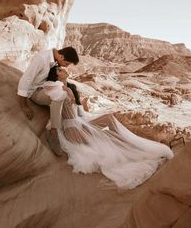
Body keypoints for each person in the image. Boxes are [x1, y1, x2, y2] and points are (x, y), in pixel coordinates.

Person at [46, 66, 174, 190]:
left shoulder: (70, 87)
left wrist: (87, 118)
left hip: (80, 122)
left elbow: (78, 112)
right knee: (103, 139)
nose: (64, 69)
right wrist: (54, 129)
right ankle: (123, 146)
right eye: (59, 70)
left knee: (109, 118)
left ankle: (123, 142)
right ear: (56, 75)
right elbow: (55, 111)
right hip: (72, 128)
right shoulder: (58, 90)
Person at [17, 47, 79, 156]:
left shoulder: (53, 58)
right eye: (66, 63)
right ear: (61, 56)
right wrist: (24, 105)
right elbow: (25, 79)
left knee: (66, 92)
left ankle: (70, 128)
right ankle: (53, 132)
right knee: (60, 93)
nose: (66, 66)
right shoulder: (42, 58)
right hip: (35, 91)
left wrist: (65, 83)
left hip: (45, 87)